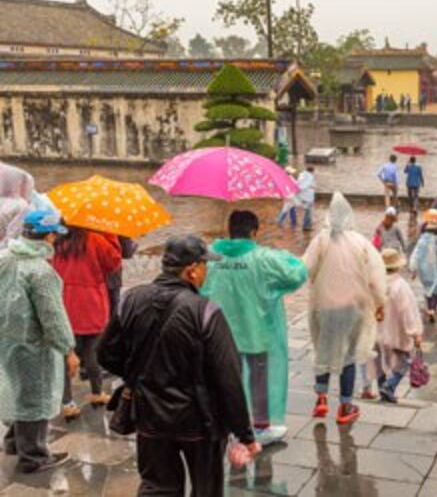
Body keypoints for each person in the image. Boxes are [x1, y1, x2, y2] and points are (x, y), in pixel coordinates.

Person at [97, 235, 258, 495]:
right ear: (192, 270)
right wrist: (245, 434)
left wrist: (138, 375)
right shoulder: (204, 311)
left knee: (157, 487)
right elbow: (228, 377)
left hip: (149, 415)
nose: (207, 271)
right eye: (204, 265)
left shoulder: (130, 299)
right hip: (199, 420)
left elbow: (105, 354)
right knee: (206, 488)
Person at [202, 211, 308, 445]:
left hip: (222, 334)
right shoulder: (263, 258)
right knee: (259, 379)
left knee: (228, 379)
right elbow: (297, 274)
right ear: (254, 231)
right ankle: (260, 427)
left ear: (229, 230)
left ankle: (229, 423)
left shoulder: (212, 257)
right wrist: (287, 256)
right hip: (256, 332)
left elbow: (199, 286)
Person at [0, 209, 78, 474]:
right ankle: (33, 456)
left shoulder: (4, 257)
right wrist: (68, 349)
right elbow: (52, 317)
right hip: (33, 346)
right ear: (50, 235)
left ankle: (12, 442)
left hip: (5, 340)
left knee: (16, 390)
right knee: (35, 397)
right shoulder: (41, 272)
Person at [303, 193, 387, 426]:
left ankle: (321, 398)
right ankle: (345, 406)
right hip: (353, 308)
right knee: (348, 357)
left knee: (324, 349)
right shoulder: (361, 243)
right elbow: (377, 277)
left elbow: (305, 269)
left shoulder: (321, 240)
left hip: (324, 306)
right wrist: (380, 304)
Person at [53, 227, 121, 420]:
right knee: (92, 350)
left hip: (64, 300)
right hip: (92, 301)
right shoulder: (95, 238)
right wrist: (110, 234)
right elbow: (113, 262)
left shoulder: (57, 241)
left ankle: (67, 402)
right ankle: (97, 392)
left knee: (65, 354)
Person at [375, 249, 423, 403]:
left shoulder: (375, 283)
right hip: (397, 333)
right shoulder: (401, 286)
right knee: (403, 363)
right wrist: (415, 332)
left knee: (382, 362)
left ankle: (383, 388)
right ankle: (388, 387)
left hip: (379, 331)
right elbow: (408, 311)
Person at [410, 220, 437, 322]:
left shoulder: (421, 240)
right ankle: (433, 308)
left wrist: (413, 269)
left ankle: (429, 308)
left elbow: (415, 255)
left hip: (424, 271)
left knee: (427, 289)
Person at [297, 166, 316, 231]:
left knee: (307, 212)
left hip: (303, 197)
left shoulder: (302, 175)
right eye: (313, 171)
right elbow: (303, 186)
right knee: (308, 212)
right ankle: (306, 226)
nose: (314, 173)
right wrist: (311, 187)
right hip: (307, 197)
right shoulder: (309, 177)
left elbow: (300, 185)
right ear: (312, 171)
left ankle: (307, 225)